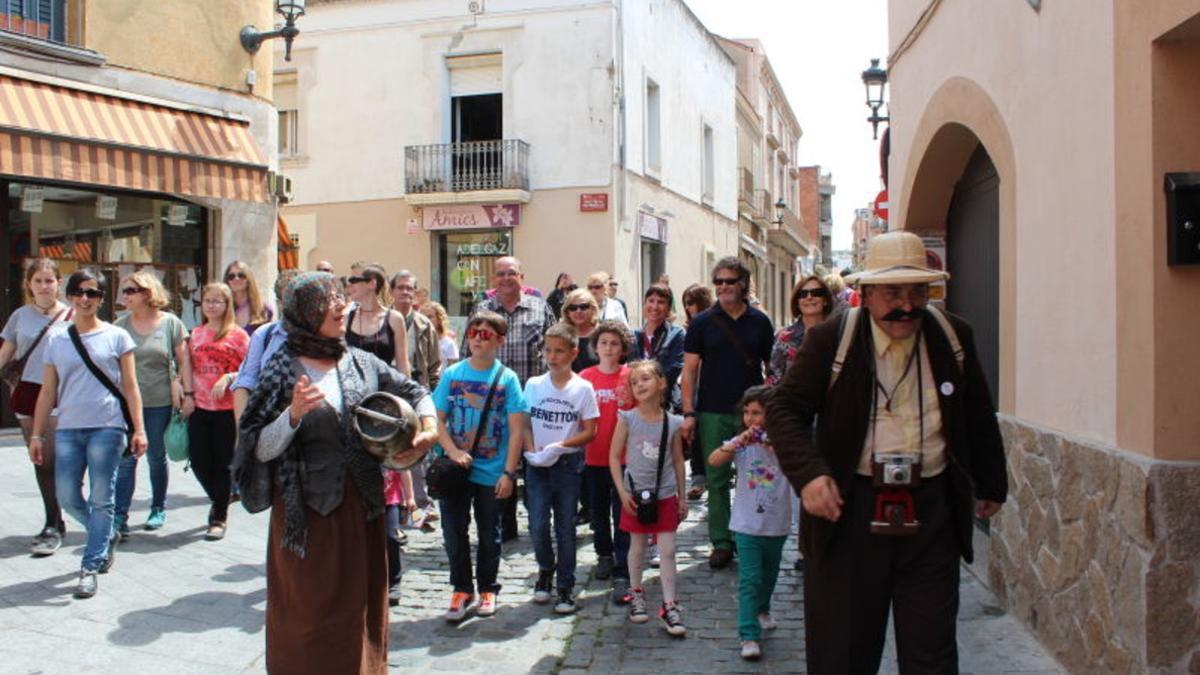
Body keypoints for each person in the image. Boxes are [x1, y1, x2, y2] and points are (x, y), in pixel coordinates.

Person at [766, 231, 1007, 673]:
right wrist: (810, 475)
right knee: (845, 652)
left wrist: (990, 481)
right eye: (893, 291)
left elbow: (976, 413)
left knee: (931, 652)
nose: (908, 304)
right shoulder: (831, 340)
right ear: (867, 292)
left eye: (919, 290)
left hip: (931, 512)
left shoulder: (953, 336)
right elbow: (782, 409)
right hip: (849, 511)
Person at [233, 271, 438, 674]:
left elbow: (415, 391)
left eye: (340, 300)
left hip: (361, 510)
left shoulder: (360, 362)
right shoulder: (281, 368)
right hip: (305, 519)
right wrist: (291, 416)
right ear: (306, 314)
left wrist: (428, 427)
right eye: (330, 304)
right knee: (307, 619)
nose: (341, 307)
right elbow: (256, 447)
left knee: (358, 613)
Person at [29, 269, 148, 599]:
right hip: (68, 427)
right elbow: (47, 391)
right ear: (69, 295)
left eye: (93, 293)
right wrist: (37, 435)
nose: (85, 299)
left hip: (108, 427)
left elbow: (131, 387)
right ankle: (104, 532)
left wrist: (139, 430)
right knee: (66, 496)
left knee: (101, 497)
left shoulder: (116, 337)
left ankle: (90, 565)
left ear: (101, 299)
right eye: (79, 292)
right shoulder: (57, 339)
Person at [680, 258, 775, 569]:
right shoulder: (702, 323)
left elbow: (771, 370)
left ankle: (753, 534)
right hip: (712, 411)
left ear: (743, 284)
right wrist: (689, 412)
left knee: (756, 476)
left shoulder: (760, 322)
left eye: (729, 281)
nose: (723, 287)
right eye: (718, 282)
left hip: (752, 414)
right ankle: (721, 542)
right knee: (717, 480)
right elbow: (690, 371)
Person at [434, 310, 528, 622]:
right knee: (453, 531)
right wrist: (450, 451)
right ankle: (461, 588)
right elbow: (438, 420)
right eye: (474, 331)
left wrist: (509, 473)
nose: (477, 337)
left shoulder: (508, 378)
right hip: (456, 471)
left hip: (492, 471)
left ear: (500, 340)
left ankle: (489, 587)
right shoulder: (453, 375)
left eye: (486, 333)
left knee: (491, 532)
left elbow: (517, 430)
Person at [461, 256, 556, 542]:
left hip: (532, 401)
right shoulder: (482, 310)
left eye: (511, 273)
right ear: (493, 280)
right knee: (499, 462)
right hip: (493, 403)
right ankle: (504, 525)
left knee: (533, 462)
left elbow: (554, 350)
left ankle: (539, 520)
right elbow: (469, 351)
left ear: (521, 277)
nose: (505, 278)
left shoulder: (540, 308)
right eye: (500, 274)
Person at [708, 386, 792, 661]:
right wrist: (736, 443)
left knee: (769, 575)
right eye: (746, 412)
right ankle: (748, 635)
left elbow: (797, 461)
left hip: (776, 522)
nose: (750, 418)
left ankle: (763, 609)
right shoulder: (742, 444)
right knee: (750, 579)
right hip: (745, 524)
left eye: (756, 413)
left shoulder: (784, 442)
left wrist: (776, 444)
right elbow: (714, 460)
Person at [522, 323, 599, 614]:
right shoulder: (533, 385)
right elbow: (525, 422)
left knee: (565, 527)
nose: (552, 357)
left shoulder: (582, 388)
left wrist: (561, 445)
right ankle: (545, 569)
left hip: (567, 464)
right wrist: (531, 451)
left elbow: (590, 430)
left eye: (559, 351)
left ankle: (565, 585)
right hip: (538, 466)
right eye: (548, 350)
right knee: (538, 524)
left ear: (573, 353)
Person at [0, 258, 72, 556]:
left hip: (61, 392)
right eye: (38, 281)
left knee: (55, 458)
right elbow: (7, 351)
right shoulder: (20, 315)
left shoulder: (71, 314)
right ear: (29, 284)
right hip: (28, 392)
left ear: (58, 282)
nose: (44, 286)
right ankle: (53, 522)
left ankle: (55, 520)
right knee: (40, 458)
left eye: (49, 280)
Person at [610, 360, 687, 636]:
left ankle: (669, 605)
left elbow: (678, 460)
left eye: (645, 379)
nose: (639, 385)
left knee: (667, 550)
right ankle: (636, 592)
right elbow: (613, 456)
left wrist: (682, 496)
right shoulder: (627, 418)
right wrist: (621, 492)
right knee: (638, 547)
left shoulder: (673, 422)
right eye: (634, 382)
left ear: (662, 383)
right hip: (634, 496)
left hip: (665, 494)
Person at [113, 270, 191, 536]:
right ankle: (119, 516)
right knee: (126, 461)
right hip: (126, 405)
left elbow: (184, 361)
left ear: (147, 293)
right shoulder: (119, 326)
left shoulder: (170, 323)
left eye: (130, 291)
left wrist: (186, 391)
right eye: (124, 291)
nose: (125, 296)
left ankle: (158, 506)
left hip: (159, 402)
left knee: (156, 457)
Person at [188, 282, 250, 540]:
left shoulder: (239, 336)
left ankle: (218, 517)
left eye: (217, 301)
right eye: (208, 300)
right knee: (199, 461)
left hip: (227, 409)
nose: (211, 305)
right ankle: (222, 496)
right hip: (200, 406)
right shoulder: (196, 334)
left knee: (223, 464)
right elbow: (187, 367)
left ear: (227, 305)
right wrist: (188, 395)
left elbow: (250, 369)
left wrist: (228, 378)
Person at [579, 321, 635, 604]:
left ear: (623, 348)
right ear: (595, 347)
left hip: (625, 457)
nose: (609, 348)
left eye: (615, 343)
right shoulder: (586, 377)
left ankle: (623, 563)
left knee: (622, 511)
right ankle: (604, 553)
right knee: (598, 510)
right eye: (604, 343)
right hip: (594, 456)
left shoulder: (632, 376)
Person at [232, 270, 301, 424]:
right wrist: (242, 432)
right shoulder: (264, 335)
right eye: (290, 299)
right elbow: (245, 381)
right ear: (280, 303)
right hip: (269, 425)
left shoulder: (323, 335)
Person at [768, 275, 835, 386]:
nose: (809, 297)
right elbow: (774, 377)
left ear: (825, 300)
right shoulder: (784, 337)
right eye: (803, 294)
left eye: (816, 293)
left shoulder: (838, 334)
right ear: (797, 303)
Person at [345, 264, 410, 376]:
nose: (349, 285)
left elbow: (402, 365)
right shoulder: (346, 318)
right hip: (353, 390)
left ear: (372, 284)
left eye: (354, 280)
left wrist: (408, 392)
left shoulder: (395, 319)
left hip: (383, 390)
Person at [680, 284, 713, 501]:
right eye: (686, 304)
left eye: (691, 303)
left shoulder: (711, 323)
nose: (688, 308)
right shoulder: (690, 327)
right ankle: (700, 479)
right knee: (696, 433)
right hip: (695, 384)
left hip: (711, 384)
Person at [630, 284, 685, 410]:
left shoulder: (677, 334)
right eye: (651, 301)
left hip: (665, 404)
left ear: (668, 308)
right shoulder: (633, 336)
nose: (655, 306)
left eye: (661, 302)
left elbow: (672, 371)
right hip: (636, 405)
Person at [389, 270, 441, 390]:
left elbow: (434, 367)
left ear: (415, 293)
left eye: (409, 288)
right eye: (400, 288)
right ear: (391, 291)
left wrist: (433, 394)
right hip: (386, 390)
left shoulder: (425, 325)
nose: (405, 292)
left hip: (417, 389)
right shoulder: (381, 321)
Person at [223, 260, 273, 336]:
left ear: (249, 279)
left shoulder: (264, 309)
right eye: (231, 276)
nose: (236, 279)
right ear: (227, 281)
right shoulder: (222, 308)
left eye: (241, 275)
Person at [561, 288, 599, 373]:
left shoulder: (602, 334)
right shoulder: (561, 336)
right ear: (567, 312)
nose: (578, 311)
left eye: (583, 307)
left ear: (592, 308)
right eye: (573, 308)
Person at [420, 301, 459, 371]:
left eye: (430, 317)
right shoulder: (419, 341)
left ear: (439, 319)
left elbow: (454, 370)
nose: (426, 320)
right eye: (423, 317)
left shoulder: (448, 343)